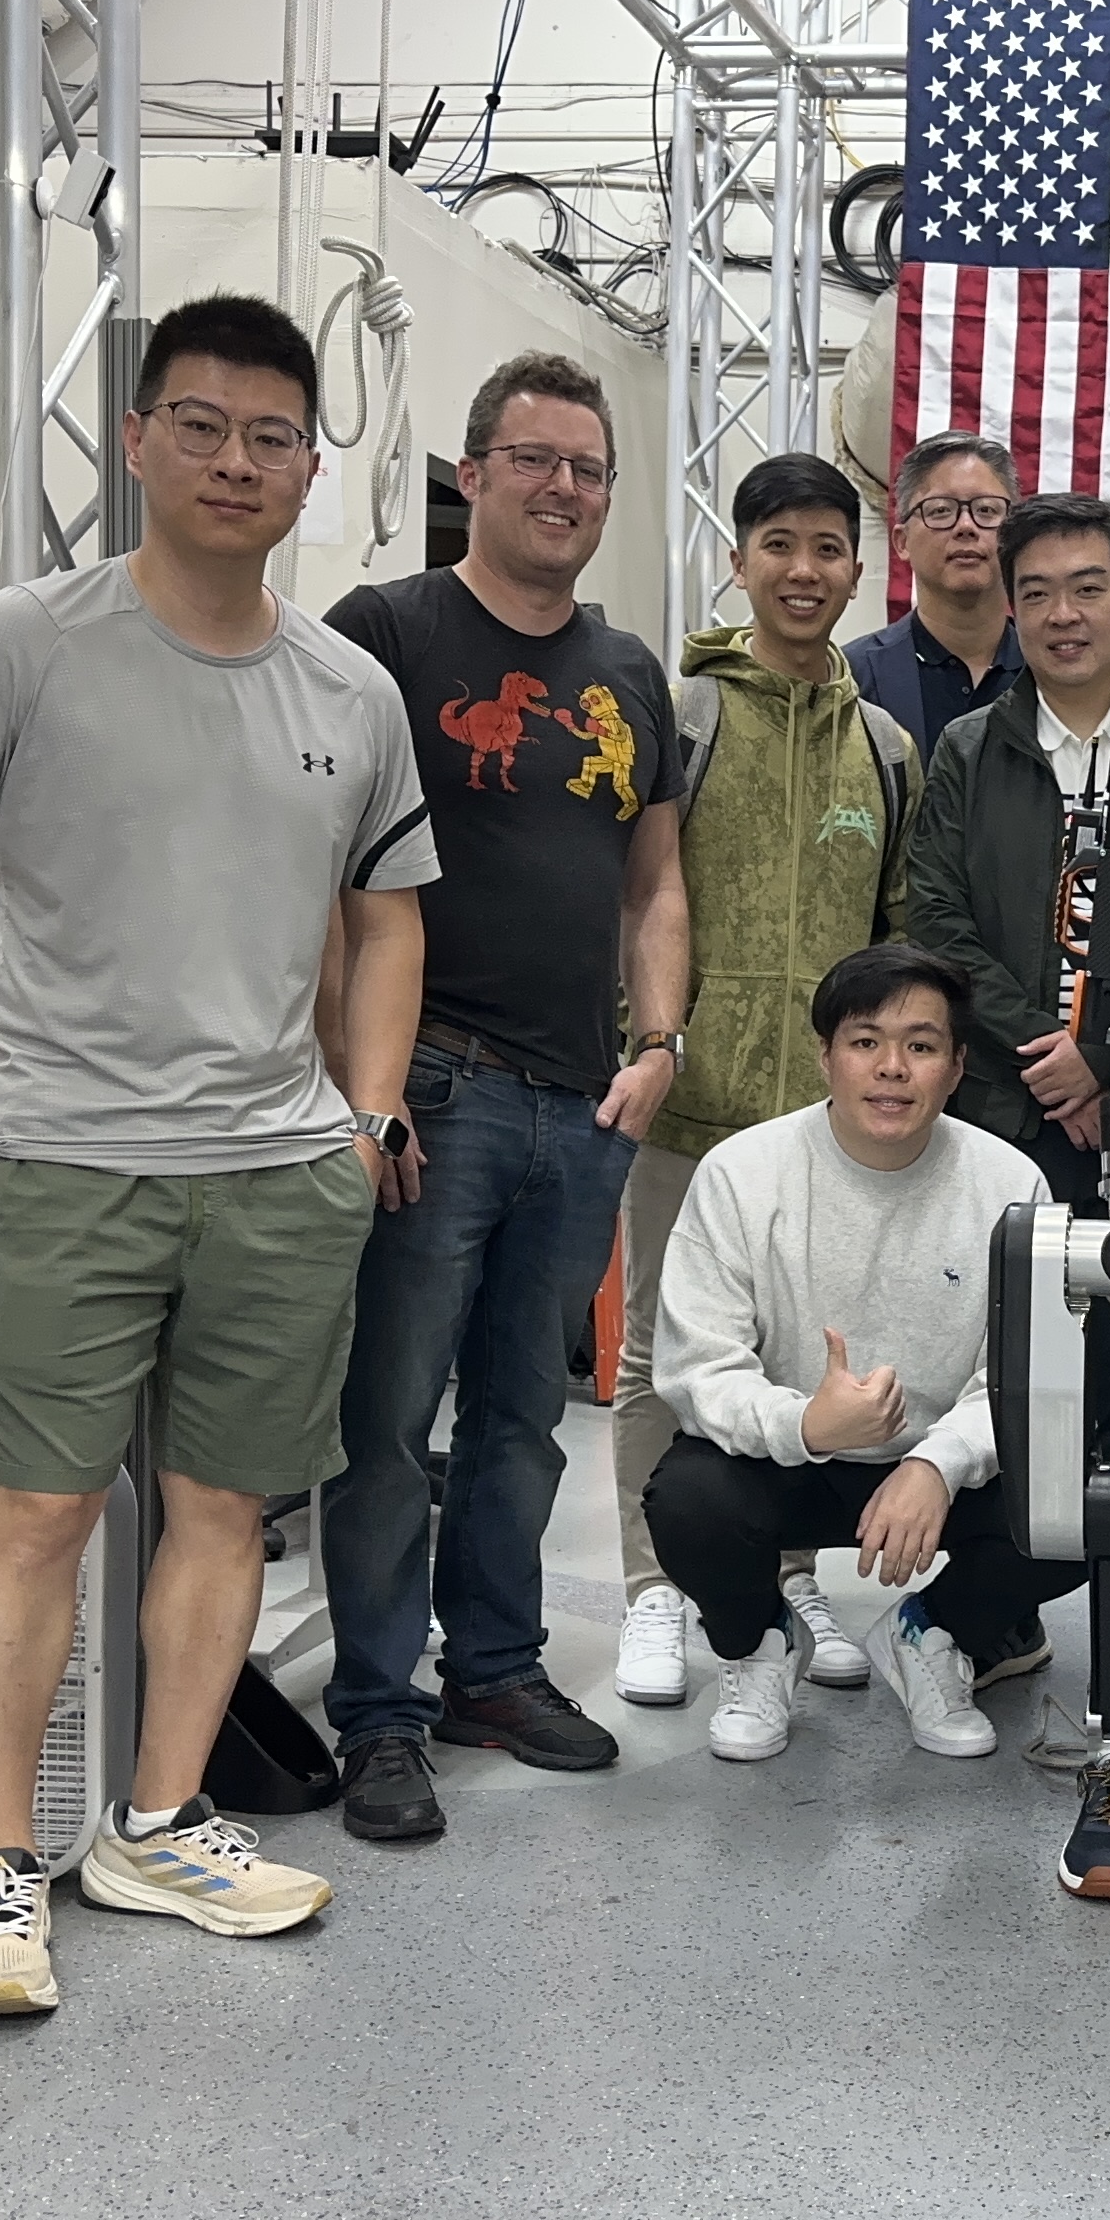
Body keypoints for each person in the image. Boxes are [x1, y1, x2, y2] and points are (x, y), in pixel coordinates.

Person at [0, 291, 427, 2021]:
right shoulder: (22, 643)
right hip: (73, 1159)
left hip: (278, 1172)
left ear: (309, 469)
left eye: (273, 436)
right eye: (201, 426)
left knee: (224, 1510)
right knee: (41, 1511)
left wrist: (366, 1109)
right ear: (138, 438)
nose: (237, 461)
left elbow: (387, 918)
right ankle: (2, 1867)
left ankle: (156, 1822)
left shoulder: (351, 689)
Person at [317, 351, 689, 1843]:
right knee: (390, 1418)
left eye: (587, 468)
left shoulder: (631, 674)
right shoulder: (385, 634)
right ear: (472, 474)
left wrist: (658, 1044)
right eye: (533, 459)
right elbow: (328, 873)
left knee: (527, 1420)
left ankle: (493, 1670)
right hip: (435, 1087)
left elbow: (654, 885)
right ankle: (377, 1710)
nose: (562, 487)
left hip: (580, 1105)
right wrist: (363, 1091)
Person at [895, 493, 1110, 1893]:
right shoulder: (973, 747)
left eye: (1088, 586)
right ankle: (992, 1613)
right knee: (1017, 1385)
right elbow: (937, 921)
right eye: (1037, 592)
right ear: (1008, 607)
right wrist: (1048, 1053)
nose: (1063, 613)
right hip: (1013, 1116)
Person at [609, 455, 924, 1717]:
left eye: (828, 548)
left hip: (823, 1127)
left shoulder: (885, 747)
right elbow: (636, 897)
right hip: (689, 1107)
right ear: (738, 561)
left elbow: (896, 938)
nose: (804, 570)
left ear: (858, 569)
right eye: (778, 545)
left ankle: (788, 1578)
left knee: (802, 1356)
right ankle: (650, 1587)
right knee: (655, 1352)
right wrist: (650, 1040)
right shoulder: (684, 714)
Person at [644, 943, 1075, 1766]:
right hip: (789, 1457)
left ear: (956, 1067)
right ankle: (761, 1644)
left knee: (1085, 1502)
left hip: (938, 1474)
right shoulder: (741, 1173)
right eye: (865, 1041)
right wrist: (808, 1423)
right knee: (688, 1501)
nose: (892, 1069)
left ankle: (932, 1635)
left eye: (921, 1045)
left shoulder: (1011, 1184)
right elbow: (699, 1369)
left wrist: (939, 1462)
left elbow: (1024, 1376)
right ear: (826, 1057)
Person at [845, 430, 1026, 756]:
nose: (966, 526)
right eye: (941, 510)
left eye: (986, 510)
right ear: (901, 542)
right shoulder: (852, 677)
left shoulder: (1049, 669)